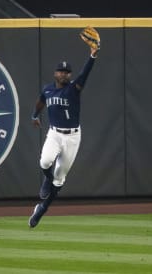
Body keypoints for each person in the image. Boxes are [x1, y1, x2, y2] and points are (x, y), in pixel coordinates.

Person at [28, 32, 100, 228]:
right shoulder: (48, 89)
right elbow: (41, 101)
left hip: (72, 137)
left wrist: (93, 54)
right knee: (45, 161)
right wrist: (35, 115)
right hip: (55, 133)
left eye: (67, 72)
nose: (65, 74)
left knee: (59, 181)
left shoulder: (73, 88)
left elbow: (85, 74)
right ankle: (46, 180)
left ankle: (41, 210)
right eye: (61, 71)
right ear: (55, 73)